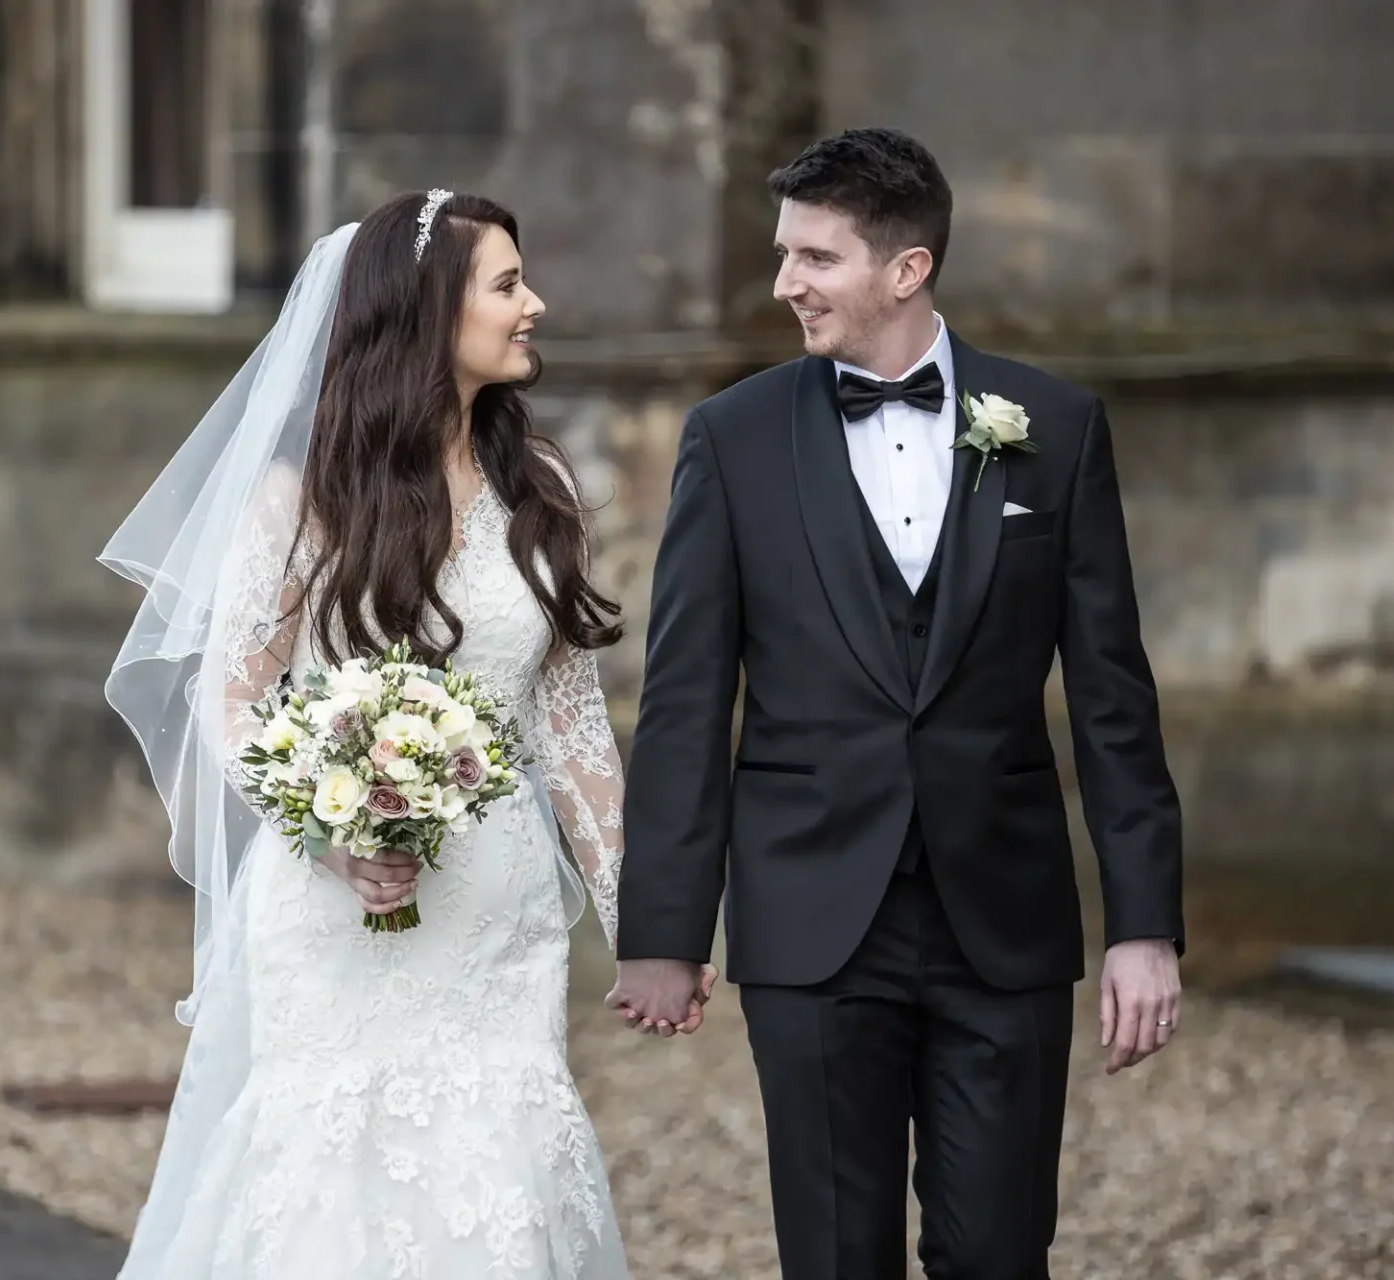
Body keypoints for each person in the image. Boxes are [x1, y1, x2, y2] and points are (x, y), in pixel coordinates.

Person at [610, 128, 1186, 1278]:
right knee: (834, 1254)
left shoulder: (1055, 429)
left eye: (815, 258)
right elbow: (684, 700)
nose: (785, 283)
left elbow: (1115, 697)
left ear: (906, 270)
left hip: (1004, 921)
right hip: (811, 922)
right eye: (786, 254)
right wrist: (664, 931)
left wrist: (1142, 925)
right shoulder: (731, 439)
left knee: (998, 1249)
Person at [101, 190, 699, 1278]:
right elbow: (231, 702)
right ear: (428, 310)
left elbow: (571, 737)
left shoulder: (541, 487)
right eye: (508, 285)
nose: (536, 305)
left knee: (504, 1183)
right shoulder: (304, 498)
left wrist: (644, 926)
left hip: (495, 915)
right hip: (329, 908)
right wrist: (326, 827)